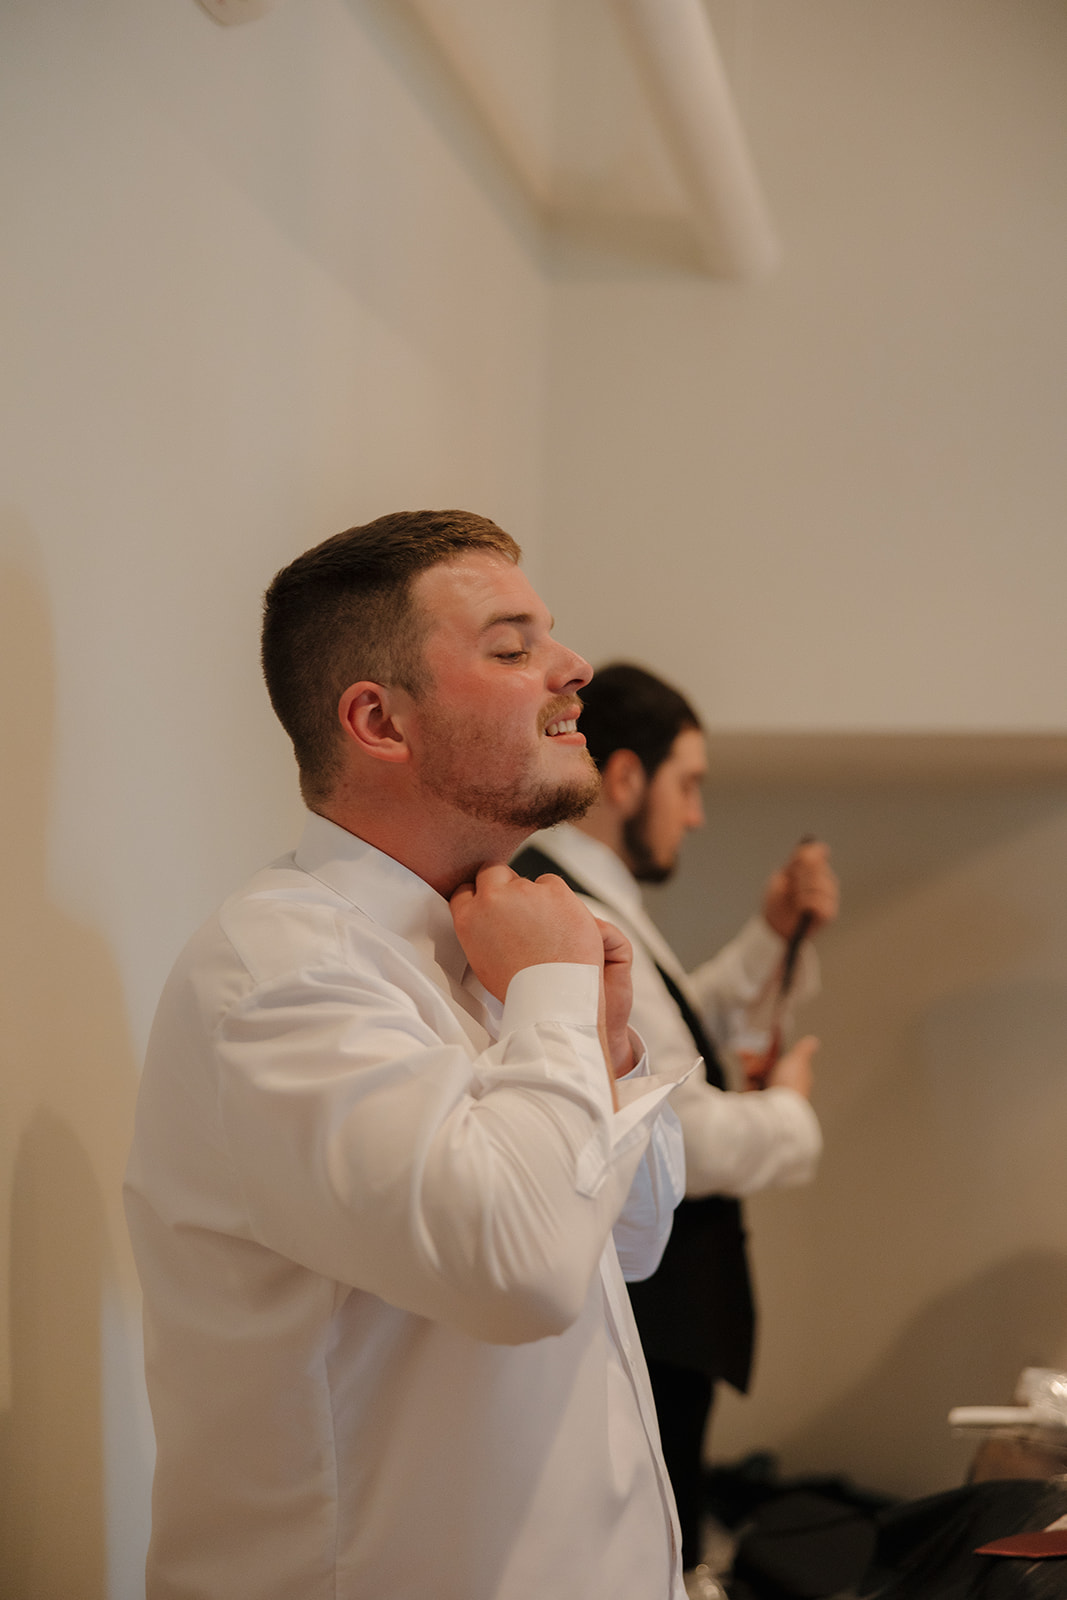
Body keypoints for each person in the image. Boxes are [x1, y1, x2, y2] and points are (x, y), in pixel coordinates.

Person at [124, 515, 693, 1600]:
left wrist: (596, 1043)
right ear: (378, 720)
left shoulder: (490, 941)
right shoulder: (282, 971)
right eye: (512, 647)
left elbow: (626, 1240)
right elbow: (519, 1271)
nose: (574, 671)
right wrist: (554, 1000)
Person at [511, 662, 839, 1583]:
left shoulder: (588, 893)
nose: (694, 814)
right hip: (648, 1308)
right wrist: (790, 1117)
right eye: (687, 784)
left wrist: (772, 937)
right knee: (652, 1556)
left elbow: (673, 1035)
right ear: (624, 779)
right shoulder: (568, 906)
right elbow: (672, 1127)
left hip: (661, 1310)